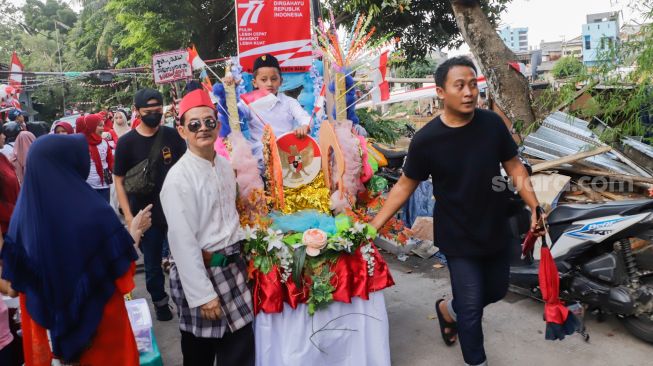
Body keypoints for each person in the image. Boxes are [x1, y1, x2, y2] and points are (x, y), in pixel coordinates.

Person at [370, 56, 544, 366]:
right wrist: (376, 225)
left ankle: (447, 310)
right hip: (457, 232)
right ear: (440, 91)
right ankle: (476, 360)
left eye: (473, 85)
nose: (468, 93)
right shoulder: (427, 140)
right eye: (459, 86)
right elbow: (405, 185)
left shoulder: (491, 124)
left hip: (495, 226)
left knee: (496, 290)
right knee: (472, 306)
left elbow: (514, 166)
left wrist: (534, 207)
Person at [0, 134, 152, 365]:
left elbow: (14, 288)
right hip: (104, 335)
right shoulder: (93, 212)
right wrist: (135, 233)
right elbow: (122, 276)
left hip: (52, 341)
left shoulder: (22, 220)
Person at [161, 89, 254, 366]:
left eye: (209, 122)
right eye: (194, 124)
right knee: (199, 356)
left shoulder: (225, 166)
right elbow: (182, 242)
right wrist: (203, 296)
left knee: (241, 352)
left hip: (233, 270)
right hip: (201, 275)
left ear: (218, 125)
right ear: (182, 131)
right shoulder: (178, 179)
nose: (203, 129)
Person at [113, 88, 187, 321]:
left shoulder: (172, 136)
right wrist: (128, 216)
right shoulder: (126, 143)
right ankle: (160, 302)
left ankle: (187, 298)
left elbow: (186, 168)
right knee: (153, 263)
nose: (154, 115)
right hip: (146, 214)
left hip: (176, 210)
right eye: (149, 111)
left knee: (184, 255)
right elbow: (119, 180)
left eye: (158, 111)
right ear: (137, 111)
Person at [223, 54, 311, 164]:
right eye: (264, 80)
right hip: (259, 161)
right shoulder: (247, 103)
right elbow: (232, 116)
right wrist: (229, 91)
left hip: (286, 158)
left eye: (274, 79)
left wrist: (304, 126)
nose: (269, 84)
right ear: (255, 82)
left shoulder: (289, 102)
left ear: (281, 81)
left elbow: (305, 118)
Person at [82, 114, 113, 202]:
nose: (102, 128)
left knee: (105, 211)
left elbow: (111, 162)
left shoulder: (104, 143)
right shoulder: (82, 144)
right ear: (91, 126)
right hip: (89, 186)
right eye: (99, 125)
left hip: (105, 185)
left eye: (103, 125)